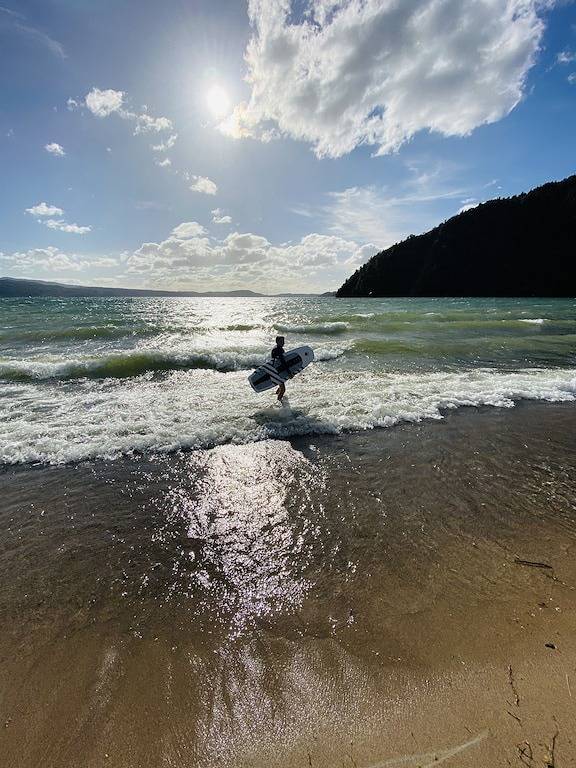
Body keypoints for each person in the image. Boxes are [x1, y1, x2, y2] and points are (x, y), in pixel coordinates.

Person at [271, 335, 293, 401]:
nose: (283, 343)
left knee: (280, 386)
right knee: (283, 389)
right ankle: (278, 402)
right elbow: (283, 362)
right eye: (281, 341)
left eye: (283, 341)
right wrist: (289, 372)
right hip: (278, 371)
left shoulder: (276, 348)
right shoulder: (279, 350)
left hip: (276, 370)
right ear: (277, 342)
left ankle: (275, 396)